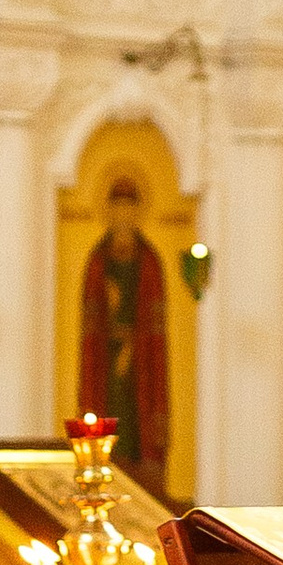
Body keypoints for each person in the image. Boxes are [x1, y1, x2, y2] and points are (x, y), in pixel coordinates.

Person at [79, 173, 172, 494]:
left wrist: (135, 337)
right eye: (117, 207)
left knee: (136, 424)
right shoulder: (97, 261)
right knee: (107, 415)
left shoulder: (148, 262)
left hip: (142, 366)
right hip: (106, 366)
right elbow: (92, 319)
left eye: (129, 207)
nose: (123, 215)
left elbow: (154, 322)